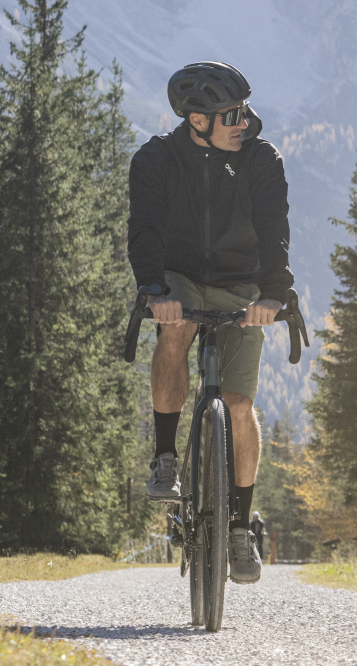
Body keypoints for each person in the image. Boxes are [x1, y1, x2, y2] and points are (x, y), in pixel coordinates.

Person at [128, 61, 298, 585]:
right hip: (178, 277)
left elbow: (275, 230)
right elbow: (144, 230)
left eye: (243, 110)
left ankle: (241, 528)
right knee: (175, 331)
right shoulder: (156, 160)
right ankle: (164, 457)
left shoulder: (261, 160)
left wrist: (275, 293)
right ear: (197, 120)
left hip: (243, 282)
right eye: (230, 114)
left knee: (241, 405)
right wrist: (155, 292)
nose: (242, 122)